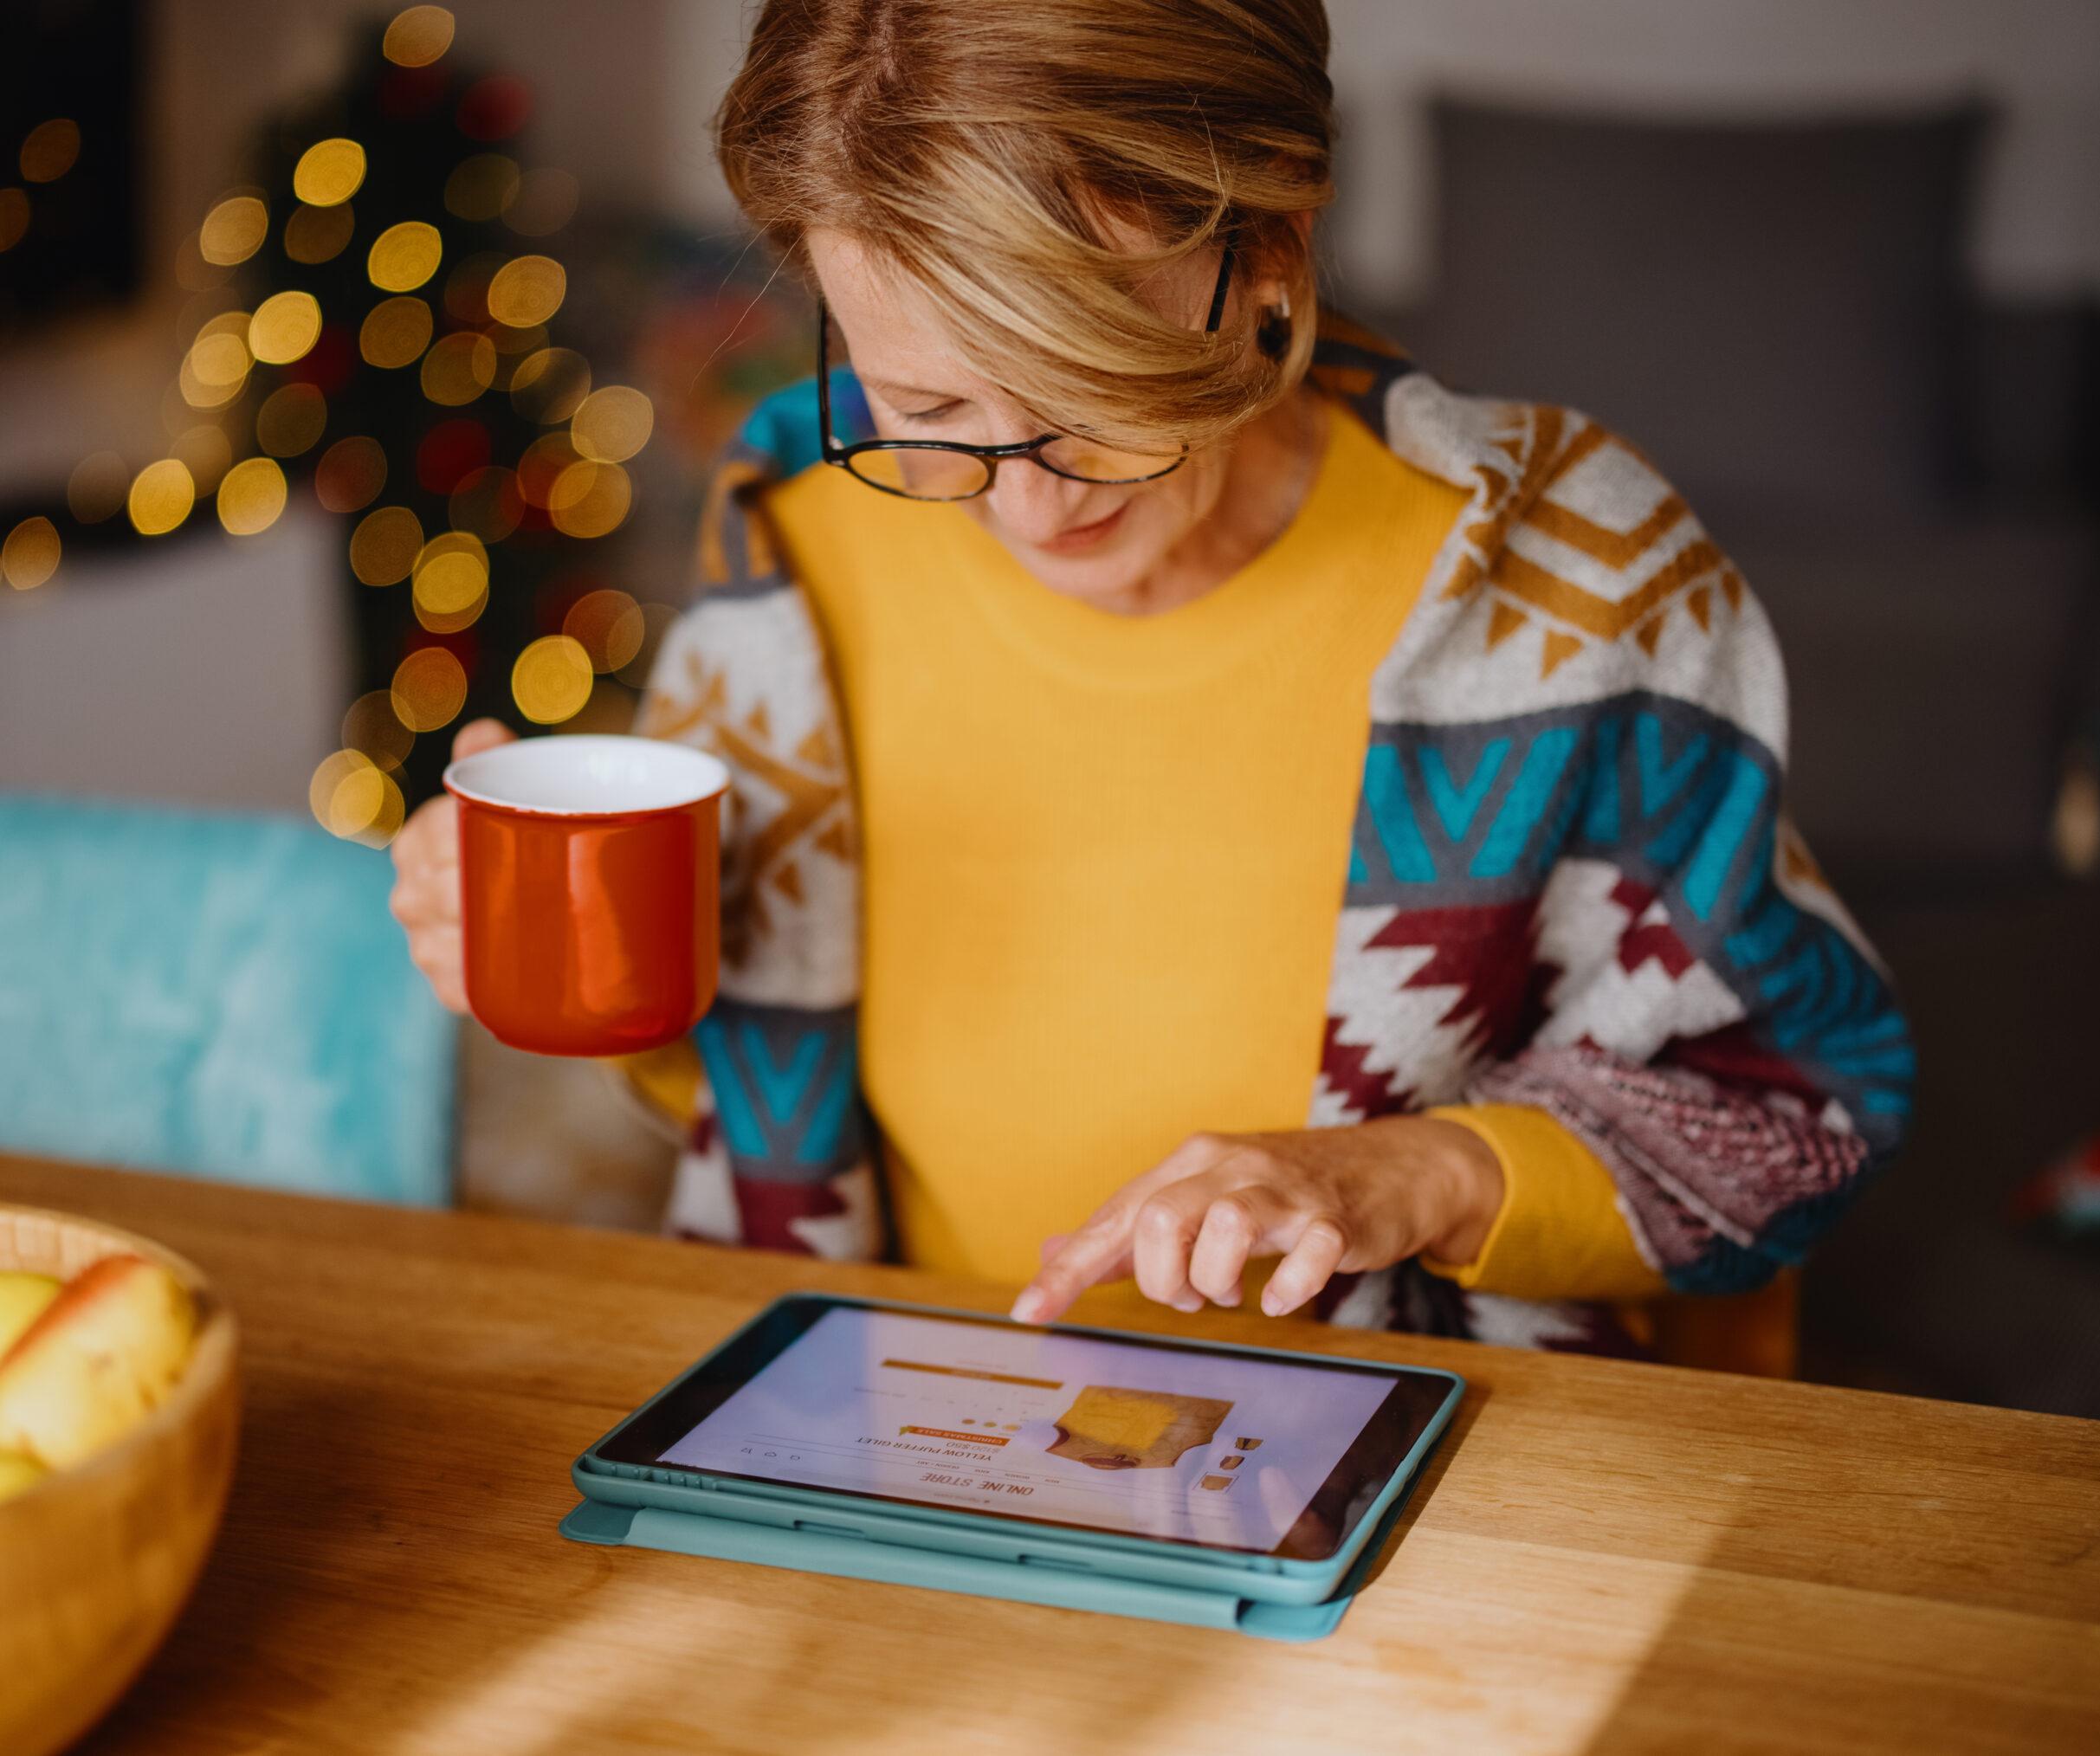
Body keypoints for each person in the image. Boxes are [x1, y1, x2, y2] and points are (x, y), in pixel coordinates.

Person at [390, 0, 1911, 1355]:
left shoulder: (1567, 576)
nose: (1030, 503)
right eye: (926, 405)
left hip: (1428, 1485)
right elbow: (748, 1076)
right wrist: (577, 955)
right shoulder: (792, 544)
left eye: (1098, 390)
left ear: (1274, 242)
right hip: (885, 1439)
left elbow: (1793, 1108)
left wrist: (1394, 1175)